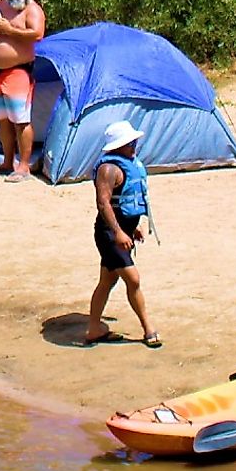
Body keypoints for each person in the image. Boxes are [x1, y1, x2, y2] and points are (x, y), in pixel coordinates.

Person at [85, 122, 160, 348]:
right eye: (130, 143)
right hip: (109, 234)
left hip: (122, 230)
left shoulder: (129, 164)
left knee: (107, 280)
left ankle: (94, 329)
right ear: (119, 146)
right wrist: (118, 232)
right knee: (133, 279)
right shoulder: (108, 170)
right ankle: (148, 329)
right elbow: (103, 203)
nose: (134, 146)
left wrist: (132, 227)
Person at [0, 0, 45, 180]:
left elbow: (36, 34)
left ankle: (24, 167)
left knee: (20, 120)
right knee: (2, 120)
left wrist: (8, 30)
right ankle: (7, 163)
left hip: (18, 71)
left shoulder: (32, 10)